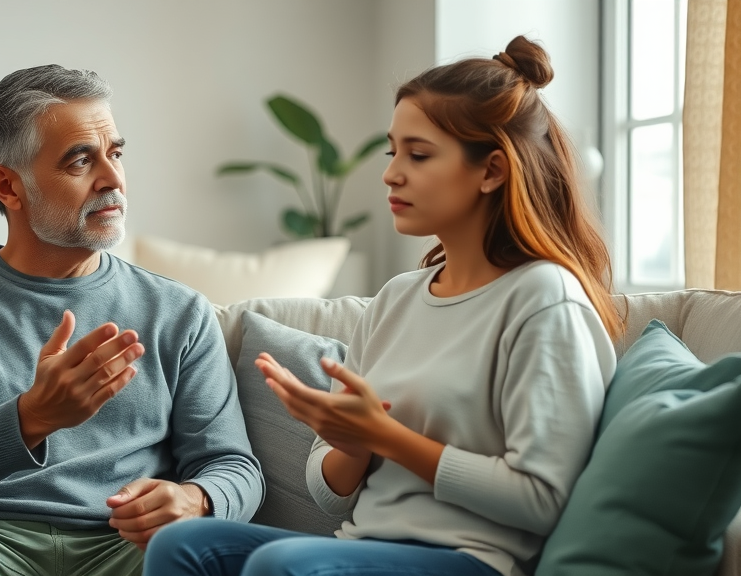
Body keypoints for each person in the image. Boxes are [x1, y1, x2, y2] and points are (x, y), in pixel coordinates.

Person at [143, 35, 622, 576]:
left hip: (478, 561)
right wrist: (350, 445)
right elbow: (331, 496)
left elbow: (544, 499)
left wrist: (389, 438)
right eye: (393, 151)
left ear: (491, 170)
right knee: (179, 546)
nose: (392, 173)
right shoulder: (398, 298)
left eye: (418, 155)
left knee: (280, 565)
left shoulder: (544, 299)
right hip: (367, 545)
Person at [0, 65, 264, 576]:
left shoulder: (180, 312)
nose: (113, 179)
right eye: (81, 161)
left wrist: (196, 499)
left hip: (124, 550)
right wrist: (31, 418)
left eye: (115, 153)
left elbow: (235, 467)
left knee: (222, 550)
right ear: (8, 185)